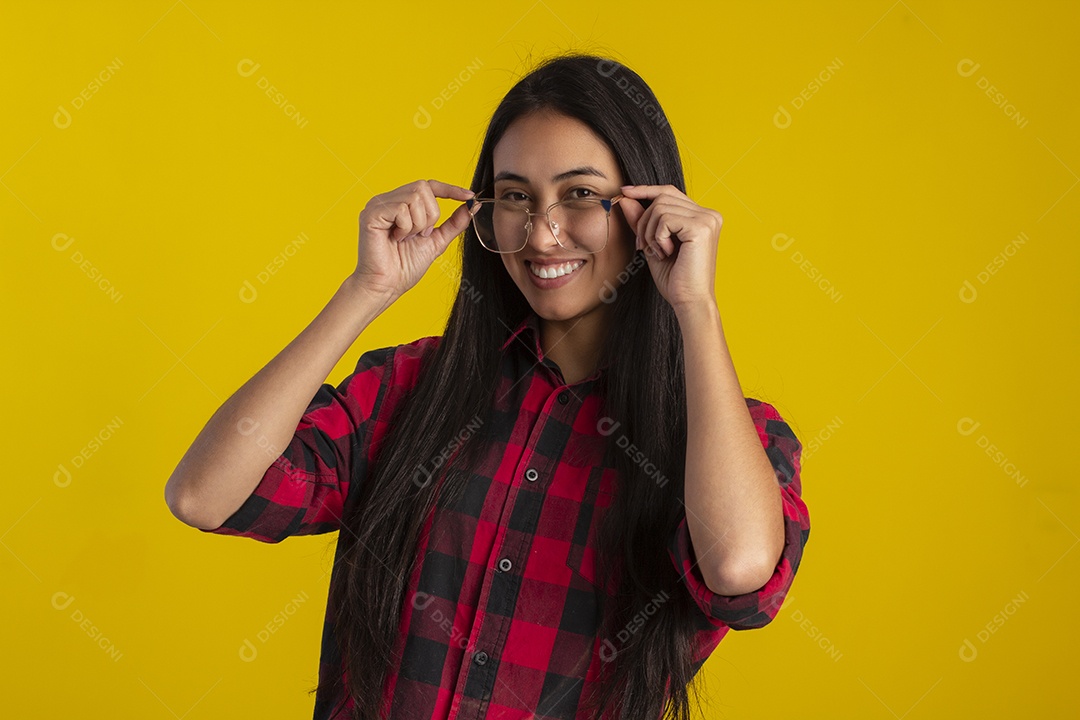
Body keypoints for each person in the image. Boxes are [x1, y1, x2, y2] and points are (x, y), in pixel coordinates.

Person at [165, 52, 810, 720]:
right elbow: (204, 494)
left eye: (581, 194)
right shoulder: (410, 387)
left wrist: (694, 306)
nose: (540, 233)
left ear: (650, 209)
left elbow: (739, 577)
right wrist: (366, 291)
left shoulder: (722, 439)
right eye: (514, 197)